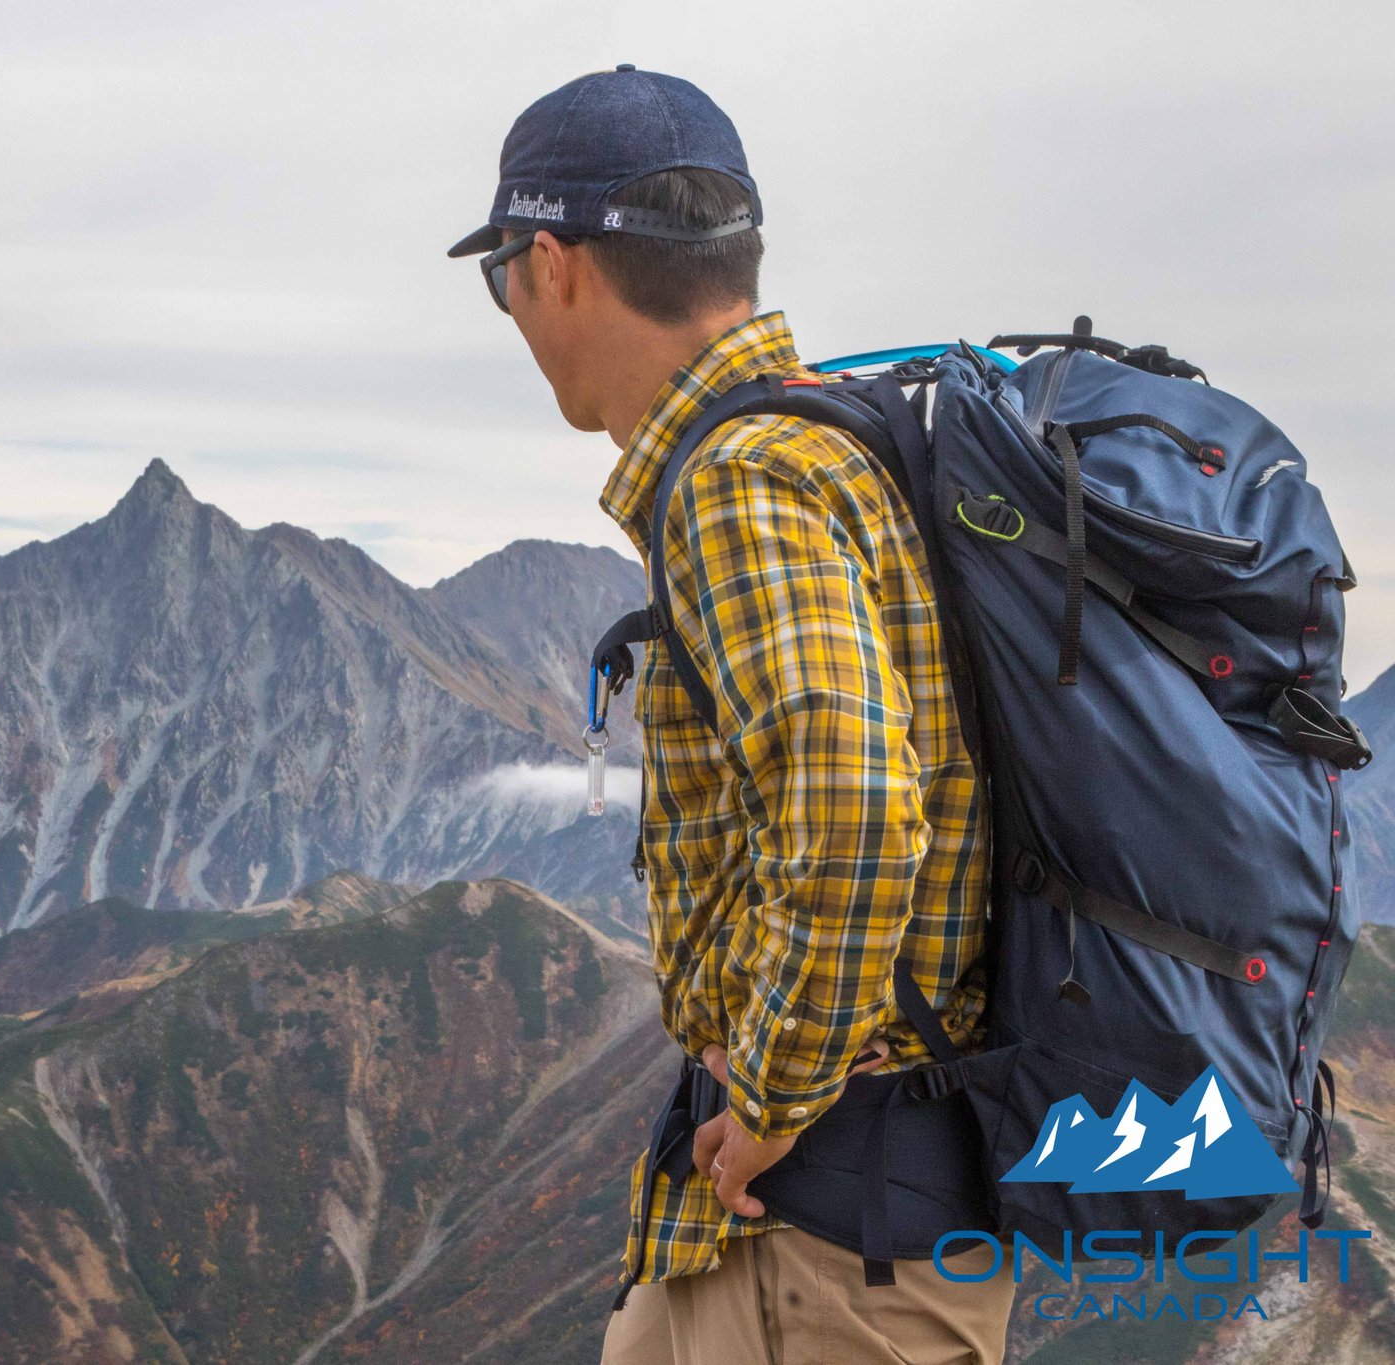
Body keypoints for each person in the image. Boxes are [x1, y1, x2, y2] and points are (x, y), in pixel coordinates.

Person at [448, 68, 1015, 1364]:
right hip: (810, 1218)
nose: (512, 312)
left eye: (501, 279)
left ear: (558, 264)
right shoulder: (829, 443)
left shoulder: (738, 481)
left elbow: (860, 804)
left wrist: (768, 1093)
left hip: (827, 1238)